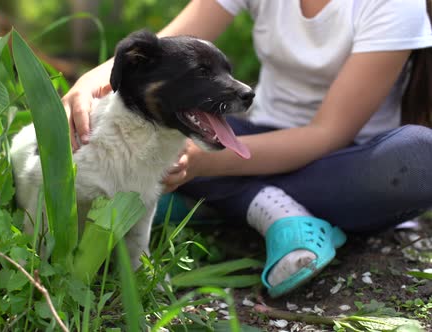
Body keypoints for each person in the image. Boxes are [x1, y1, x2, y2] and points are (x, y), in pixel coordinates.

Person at [61, 0, 432, 298]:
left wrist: (207, 164)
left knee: (420, 154)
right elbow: (166, 45)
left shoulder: (396, 5)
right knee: (158, 124)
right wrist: (92, 81)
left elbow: (326, 133)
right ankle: (281, 218)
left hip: (342, 163)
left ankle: (226, 201)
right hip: (250, 135)